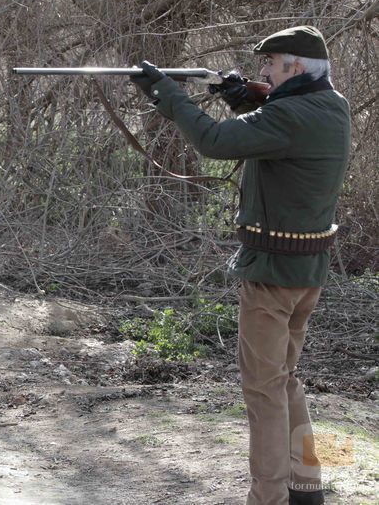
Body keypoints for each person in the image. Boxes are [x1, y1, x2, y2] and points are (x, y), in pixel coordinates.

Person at [130, 26, 350, 505]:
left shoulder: (290, 113)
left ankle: (267, 498)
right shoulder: (331, 105)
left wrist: (166, 95)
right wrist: (243, 101)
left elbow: (211, 140)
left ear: (295, 67)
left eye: (270, 64)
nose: (263, 72)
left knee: (264, 392)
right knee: (283, 381)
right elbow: (279, 137)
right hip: (306, 271)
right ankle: (306, 484)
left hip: (272, 274)